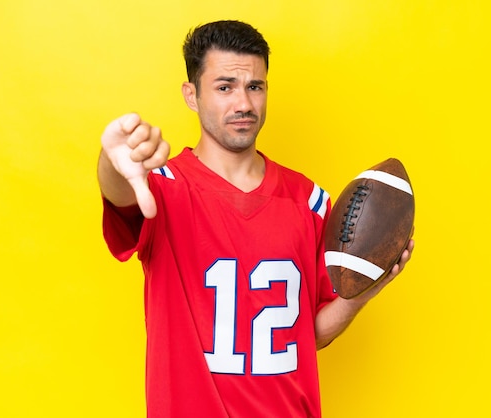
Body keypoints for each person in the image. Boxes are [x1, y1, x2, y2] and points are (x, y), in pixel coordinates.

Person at [97, 20, 414, 418]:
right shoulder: (162, 188)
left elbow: (304, 337)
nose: (243, 104)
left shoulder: (309, 202)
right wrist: (112, 162)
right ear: (191, 96)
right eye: (225, 87)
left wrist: (359, 298)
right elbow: (123, 194)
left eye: (255, 87)